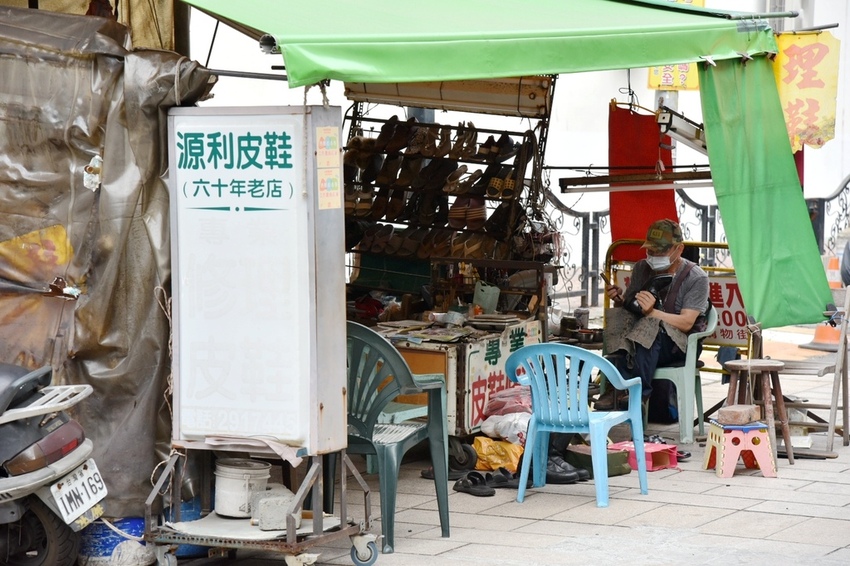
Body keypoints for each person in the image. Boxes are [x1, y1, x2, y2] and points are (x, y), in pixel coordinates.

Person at [595, 218, 710, 411]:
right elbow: (632, 308)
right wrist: (620, 299)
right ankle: (617, 388)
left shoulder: (696, 278)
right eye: (651, 251)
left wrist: (652, 312)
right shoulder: (642, 268)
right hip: (642, 340)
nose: (654, 255)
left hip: (679, 344)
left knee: (650, 324)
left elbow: (686, 323)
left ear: (679, 249)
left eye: (661, 251)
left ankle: (637, 393)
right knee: (618, 318)